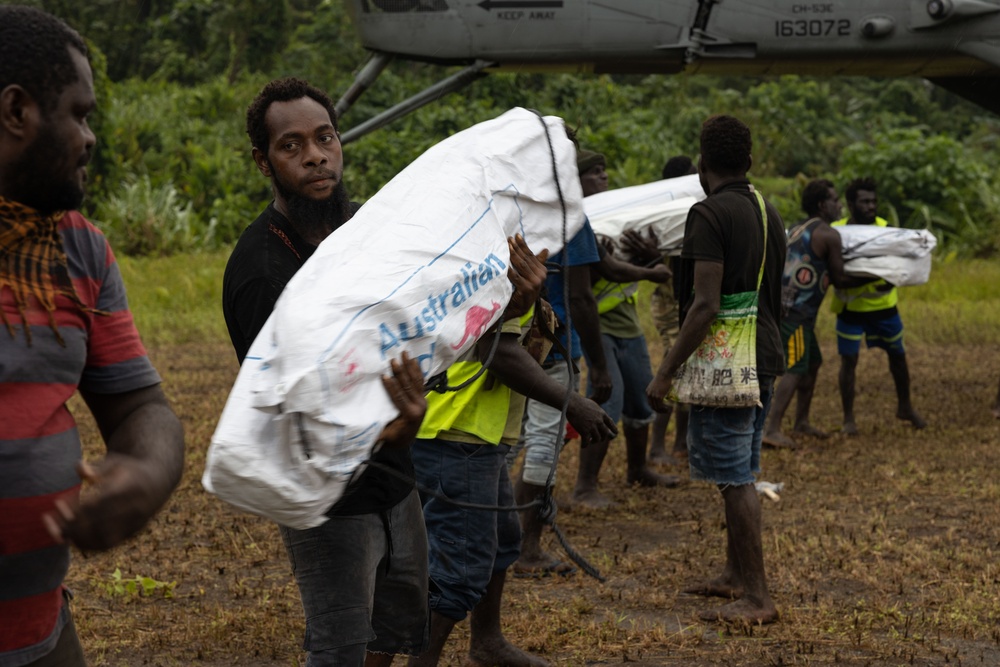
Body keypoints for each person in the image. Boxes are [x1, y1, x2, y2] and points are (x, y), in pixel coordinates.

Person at [222, 77, 432, 666]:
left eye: (325, 137)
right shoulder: (263, 271)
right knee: (339, 648)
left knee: (391, 633)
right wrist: (389, 429)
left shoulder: (367, 232)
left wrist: (511, 305)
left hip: (397, 480)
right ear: (263, 161)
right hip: (328, 500)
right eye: (292, 146)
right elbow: (291, 414)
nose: (315, 155)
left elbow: (423, 315)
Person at [0, 7, 185, 666]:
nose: (90, 136)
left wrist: (145, 469)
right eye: (79, 114)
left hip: (41, 631)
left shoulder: (81, 250)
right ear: (17, 111)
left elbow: (140, 408)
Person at [409, 246, 617, 667]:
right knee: (459, 569)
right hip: (459, 431)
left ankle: (486, 642)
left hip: (478, 433)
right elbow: (499, 353)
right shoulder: (497, 262)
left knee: (503, 539)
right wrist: (571, 402)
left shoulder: (506, 260)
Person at [646, 115, 785, 625]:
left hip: (732, 361)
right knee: (742, 471)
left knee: (734, 477)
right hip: (767, 354)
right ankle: (734, 576)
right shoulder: (768, 210)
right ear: (749, 162)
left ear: (701, 165)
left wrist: (664, 373)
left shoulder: (708, 214)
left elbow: (704, 305)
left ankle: (758, 597)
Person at [508, 149, 614, 575]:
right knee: (543, 447)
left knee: (505, 444)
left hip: (509, 346)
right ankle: (526, 549)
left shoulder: (509, 209)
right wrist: (601, 366)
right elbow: (582, 298)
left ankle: (496, 536)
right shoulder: (571, 218)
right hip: (554, 347)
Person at [572, 149, 678, 510]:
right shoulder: (575, 223)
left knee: (640, 397)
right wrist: (652, 271)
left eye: (604, 171)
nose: (603, 177)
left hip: (627, 322)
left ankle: (638, 469)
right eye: (594, 173)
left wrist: (649, 255)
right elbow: (605, 269)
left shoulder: (615, 219)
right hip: (597, 325)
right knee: (608, 401)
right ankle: (585, 487)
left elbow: (624, 261)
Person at [762, 179, 868, 448]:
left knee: (812, 363)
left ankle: (801, 421)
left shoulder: (798, 228)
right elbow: (840, 279)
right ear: (822, 205)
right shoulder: (828, 235)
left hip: (785, 308)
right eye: (835, 199)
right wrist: (878, 277)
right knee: (795, 368)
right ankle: (771, 428)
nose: (840, 204)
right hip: (796, 314)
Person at [831, 177, 926, 435]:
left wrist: (893, 281)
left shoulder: (887, 229)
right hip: (850, 311)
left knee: (898, 357)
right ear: (851, 204)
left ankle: (905, 406)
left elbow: (899, 264)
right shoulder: (835, 230)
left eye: (873, 201)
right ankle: (848, 419)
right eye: (864, 201)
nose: (871, 206)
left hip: (885, 308)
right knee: (848, 362)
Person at [647, 155, 698, 465]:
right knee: (672, 371)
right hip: (668, 304)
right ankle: (657, 447)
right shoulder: (664, 214)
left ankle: (681, 443)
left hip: (686, 303)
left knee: (687, 373)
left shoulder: (689, 212)